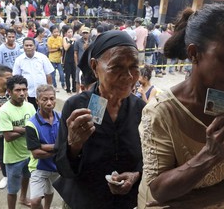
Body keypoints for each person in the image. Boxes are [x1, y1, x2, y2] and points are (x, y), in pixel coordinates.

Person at [137, 4, 224, 209]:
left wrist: (195, 201)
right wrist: (211, 154)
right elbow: (159, 191)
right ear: (194, 53)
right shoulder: (160, 113)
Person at [53, 30, 146, 209]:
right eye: (116, 67)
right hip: (85, 201)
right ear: (95, 67)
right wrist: (73, 146)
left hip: (126, 203)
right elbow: (62, 168)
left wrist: (136, 174)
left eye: (134, 66)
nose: (128, 76)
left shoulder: (140, 109)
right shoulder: (77, 106)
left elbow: (149, 157)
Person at [0, 75, 36, 209]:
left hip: (29, 153)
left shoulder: (30, 107)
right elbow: (8, 136)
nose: (22, 93)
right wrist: (26, 129)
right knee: (12, 189)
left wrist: (15, 128)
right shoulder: (4, 111)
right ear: (9, 91)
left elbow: (35, 128)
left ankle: (23, 198)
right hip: (13, 157)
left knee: (26, 177)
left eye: (24, 90)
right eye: (17, 90)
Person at [26, 84, 62, 209]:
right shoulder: (31, 124)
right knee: (35, 201)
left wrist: (43, 146)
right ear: (37, 101)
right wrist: (60, 148)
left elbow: (68, 142)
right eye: (44, 99)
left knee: (49, 191)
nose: (49, 103)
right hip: (39, 167)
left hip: (58, 165)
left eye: (52, 99)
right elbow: (36, 153)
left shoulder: (61, 118)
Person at [13, 37, 54, 110]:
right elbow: (16, 78)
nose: (29, 47)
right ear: (23, 47)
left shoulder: (42, 57)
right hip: (28, 95)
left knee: (44, 112)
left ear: (34, 46)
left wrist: (49, 89)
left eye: (31, 45)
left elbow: (48, 74)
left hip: (42, 93)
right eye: (26, 45)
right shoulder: (19, 60)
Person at [47, 25, 65, 90]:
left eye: (57, 31)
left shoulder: (60, 38)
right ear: (51, 32)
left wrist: (62, 57)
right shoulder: (50, 39)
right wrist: (57, 49)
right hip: (52, 59)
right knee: (53, 74)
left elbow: (63, 48)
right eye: (55, 32)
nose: (56, 33)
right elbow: (49, 50)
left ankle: (63, 84)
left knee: (62, 74)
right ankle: (54, 86)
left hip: (59, 59)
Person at [62, 26, 76, 94]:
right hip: (67, 60)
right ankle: (68, 89)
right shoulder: (65, 39)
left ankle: (74, 88)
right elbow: (65, 48)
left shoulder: (75, 39)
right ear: (66, 33)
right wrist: (71, 41)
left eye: (71, 32)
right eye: (68, 32)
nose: (70, 33)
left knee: (74, 75)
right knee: (67, 75)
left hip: (74, 60)